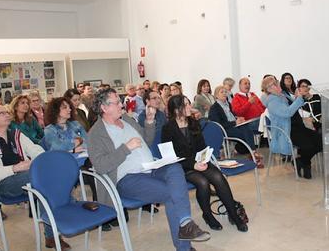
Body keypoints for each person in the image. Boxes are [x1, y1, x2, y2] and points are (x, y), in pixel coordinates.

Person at [88, 88, 210, 250]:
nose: (121, 105)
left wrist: (150, 122)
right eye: (117, 102)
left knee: (174, 168)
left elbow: (146, 140)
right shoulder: (96, 133)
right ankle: (184, 242)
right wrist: (125, 148)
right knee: (172, 193)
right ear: (104, 108)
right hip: (127, 178)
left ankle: (185, 223)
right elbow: (101, 166)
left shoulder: (127, 120)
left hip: (151, 167)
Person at [0, 105, 70, 250]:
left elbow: (35, 149)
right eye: (2, 113)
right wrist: (15, 168)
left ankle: (51, 236)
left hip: (28, 179)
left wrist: (40, 160)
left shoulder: (16, 134)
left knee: (43, 186)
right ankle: (68, 205)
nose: (7, 114)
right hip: (3, 184)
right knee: (41, 179)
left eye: (7, 112)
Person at [162, 95, 248, 232]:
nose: (190, 107)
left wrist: (203, 158)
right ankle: (207, 215)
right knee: (202, 182)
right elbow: (170, 157)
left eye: (189, 103)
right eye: (186, 105)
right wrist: (193, 164)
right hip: (182, 167)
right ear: (177, 109)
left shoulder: (193, 122)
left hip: (198, 162)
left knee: (218, 177)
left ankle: (233, 214)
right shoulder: (167, 128)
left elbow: (201, 146)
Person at [262, 77, 321, 179]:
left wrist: (298, 97)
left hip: (299, 127)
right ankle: (305, 164)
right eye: (274, 84)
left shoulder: (282, 96)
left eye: (276, 82)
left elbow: (296, 106)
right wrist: (298, 99)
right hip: (287, 131)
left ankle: (301, 161)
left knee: (321, 141)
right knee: (309, 146)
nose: (278, 84)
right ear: (269, 89)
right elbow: (287, 113)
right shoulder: (273, 102)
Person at [208, 86, 261, 166]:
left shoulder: (228, 104)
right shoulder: (214, 108)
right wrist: (235, 123)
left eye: (225, 92)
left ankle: (252, 152)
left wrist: (238, 118)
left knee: (247, 127)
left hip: (234, 126)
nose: (224, 93)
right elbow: (218, 125)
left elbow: (232, 116)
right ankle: (253, 153)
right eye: (222, 92)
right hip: (225, 129)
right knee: (245, 132)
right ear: (216, 95)